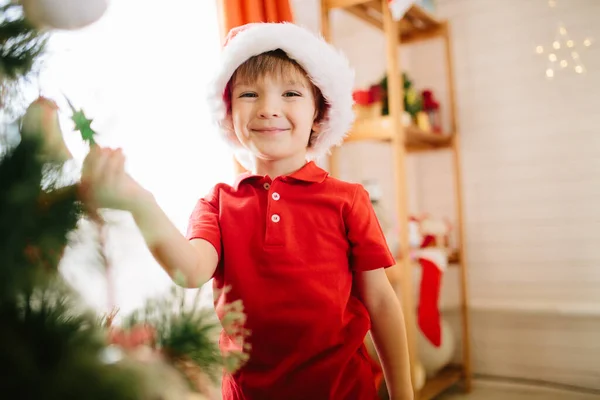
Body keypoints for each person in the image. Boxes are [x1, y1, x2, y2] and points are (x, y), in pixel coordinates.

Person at [81, 22, 413, 400]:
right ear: (229, 113)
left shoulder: (348, 199)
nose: (269, 109)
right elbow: (190, 271)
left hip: (342, 391)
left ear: (319, 114)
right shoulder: (216, 202)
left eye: (290, 93)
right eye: (250, 94)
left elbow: (382, 302)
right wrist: (139, 202)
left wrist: (403, 395)